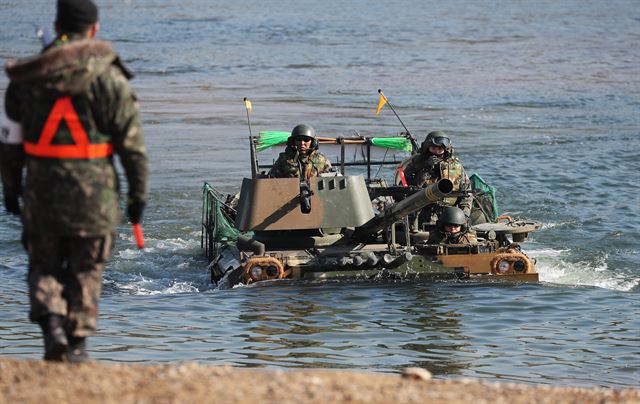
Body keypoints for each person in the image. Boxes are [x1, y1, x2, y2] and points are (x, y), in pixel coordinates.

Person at [0, 0, 148, 362]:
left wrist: (11, 189)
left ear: (57, 23)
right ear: (94, 30)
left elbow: (9, 143)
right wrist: (137, 199)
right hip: (94, 197)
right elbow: (134, 150)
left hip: (42, 190)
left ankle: (52, 327)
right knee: (87, 268)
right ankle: (78, 344)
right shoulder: (111, 79)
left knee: (44, 265)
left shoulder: (27, 79)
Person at [402, 130, 472, 226]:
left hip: (450, 215)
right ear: (427, 147)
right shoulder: (417, 163)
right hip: (422, 214)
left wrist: (464, 215)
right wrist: (426, 169)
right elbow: (406, 189)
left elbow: (467, 193)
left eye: (440, 149)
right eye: (434, 148)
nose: (437, 151)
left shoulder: (455, 165)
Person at [268, 124, 333, 179]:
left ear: (312, 142)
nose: (302, 143)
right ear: (294, 141)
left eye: (306, 140)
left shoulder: (321, 159)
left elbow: (331, 178)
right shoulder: (284, 159)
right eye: (298, 139)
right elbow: (272, 179)